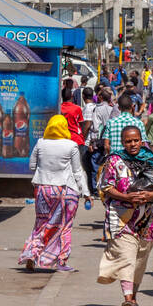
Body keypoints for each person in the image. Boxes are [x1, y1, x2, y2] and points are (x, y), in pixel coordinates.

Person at [98, 124, 153, 306]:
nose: (132, 144)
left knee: (140, 259)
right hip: (122, 218)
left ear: (141, 140)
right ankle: (128, 298)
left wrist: (150, 195)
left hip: (149, 218)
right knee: (127, 256)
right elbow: (106, 186)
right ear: (122, 143)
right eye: (128, 141)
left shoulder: (151, 159)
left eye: (135, 140)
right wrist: (126, 197)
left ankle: (134, 296)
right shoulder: (114, 160)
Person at [19, 115, 89, 273]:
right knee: (65, 226)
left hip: (43, 189)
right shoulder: (71, 145)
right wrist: (86, 192)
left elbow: (31, 166)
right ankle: (62, 262)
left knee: (41, 224)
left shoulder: (41, 143)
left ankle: (32, 254)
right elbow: (78, 172)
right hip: (64, 190)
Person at [103, 92, 144, 158]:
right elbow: (142, 145)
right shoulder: (139, 123)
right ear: (132, 106)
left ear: (119, 108)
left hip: (115, 160)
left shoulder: (111, 123)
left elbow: (106, 145)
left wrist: (110, 157)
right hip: (133, 161)